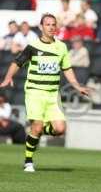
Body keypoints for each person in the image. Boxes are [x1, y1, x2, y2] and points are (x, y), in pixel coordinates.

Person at [0, 13, 90, 172]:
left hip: (53, 94)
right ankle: (28, 161)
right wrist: (8, 77)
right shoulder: (33, 46)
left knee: (60, 129)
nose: (51, 27)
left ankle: (37, 131)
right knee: (37, 126)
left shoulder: (61, 47)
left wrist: (77, 85)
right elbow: (17, 62)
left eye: (53, 24)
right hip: (35, 92)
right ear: (41, 27)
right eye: (47, 24)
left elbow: (67, 68)